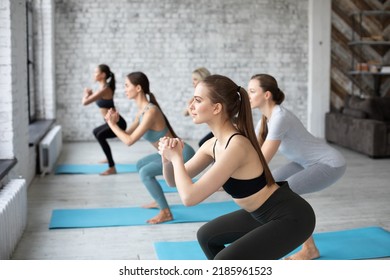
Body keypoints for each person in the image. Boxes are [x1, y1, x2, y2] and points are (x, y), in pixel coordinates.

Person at [158, 74, 316, 260]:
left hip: (292, 217)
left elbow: (189, 198)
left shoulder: (236, 146)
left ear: (216, 107)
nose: (190, 105)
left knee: (224, 261)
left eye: (198, 100)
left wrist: (177, 158)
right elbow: (172, 181)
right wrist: (167, 157)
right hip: (260, 214)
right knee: (206, 237)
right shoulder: (212, 144)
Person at [248, 73, 347, 260]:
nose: (248, 95)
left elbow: (261, 161)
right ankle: (275, 233)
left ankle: (309, 249)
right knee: (271, 185)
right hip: (305, 162)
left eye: (252, 91)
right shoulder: (266, 119)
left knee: (285, 193)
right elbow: (250, 148)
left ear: (267, 94)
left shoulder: (279, 118)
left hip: (329, 163)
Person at [105, 71, 195, 224]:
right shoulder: (142, 111)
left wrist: (111, 125)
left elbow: (129, 141)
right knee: (140, 164)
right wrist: (116, 123)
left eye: (127, 86)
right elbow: (126, 134)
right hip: (169, 153)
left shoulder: (151, 111)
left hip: (182, 153)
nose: (125, 89)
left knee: (145, 172)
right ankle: (158, 199)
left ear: (138, 88)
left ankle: (166, 212)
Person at [82, 64, 127, 175]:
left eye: (96, 72)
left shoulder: (105, 89)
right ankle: (108, 157)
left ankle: (112, 167)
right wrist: (91, 94)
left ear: (103, 75)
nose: (94, 74)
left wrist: (85, 94)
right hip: (111, 122)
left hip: (118, 123)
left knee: (100, 135)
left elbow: (85, 102)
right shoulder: (102, 88)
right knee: (96, 132)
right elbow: (97, 98)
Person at [183, 67, 213, 147]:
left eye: (195, 79)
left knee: (203, 144)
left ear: (202, 80)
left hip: (227, 127)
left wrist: (189, 106)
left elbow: (192, 115)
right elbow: (185, 113)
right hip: (219, 128)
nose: (193, 82)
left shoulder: (206, 94)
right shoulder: (199, 95)